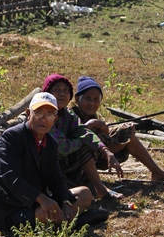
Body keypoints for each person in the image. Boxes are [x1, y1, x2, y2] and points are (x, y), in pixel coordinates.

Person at [0, 91, 96, 234]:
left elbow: (56, 178)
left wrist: (65, 201)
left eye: (49, 114)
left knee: (84, 193)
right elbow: (11, 178)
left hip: (36, 202)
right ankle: (76, 222)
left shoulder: (50, 143)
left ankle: (65, 220)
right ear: (28, 113)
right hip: (9, 209)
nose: (43, 119)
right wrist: (42, 199)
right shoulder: (12, 137)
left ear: (55, 119)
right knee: (46, 213)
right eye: (38, 113)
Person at [73, 76, 164, 184]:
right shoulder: (71, 114)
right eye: (87, 98)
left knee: (128, 135)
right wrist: (92, 124)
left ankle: (157, 172)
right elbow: (74, 136)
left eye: (95, 99)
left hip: (99, 155)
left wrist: (123, 130)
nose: (92, 103)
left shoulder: (94, 116)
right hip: (78, 158)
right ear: (77, 99)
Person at [41, 73, 124, 201]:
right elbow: (62, 147)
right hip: (45, 166)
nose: (62, 93)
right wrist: (81, 141)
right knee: (83, 145)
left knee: (86, 143)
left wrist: (106, 151)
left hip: (64, 163)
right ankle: (96, 190)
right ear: (47, 93)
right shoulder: (44, 115)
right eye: (57, 89)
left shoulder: (67, 114)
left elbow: (84, 131)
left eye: (65, 90)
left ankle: (99, 189)